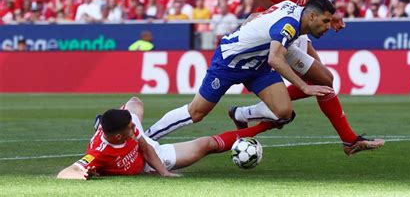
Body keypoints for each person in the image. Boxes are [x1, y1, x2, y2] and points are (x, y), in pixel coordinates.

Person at [244, 0, 384, 155]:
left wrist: (329, 15)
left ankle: (246, 113)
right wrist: (280, 16)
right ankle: (349, 140)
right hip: (281, 32)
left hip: (297, 30)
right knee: (324, 79)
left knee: (324, 81)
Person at [145, 0, 336, 141]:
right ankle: (146, 140)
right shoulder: (290, 24)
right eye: (326, 21)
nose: (328, 26)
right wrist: (305, 87)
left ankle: (240, 113)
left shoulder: (292, 8)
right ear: (311, 16)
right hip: (230, 62)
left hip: (257, 63)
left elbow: (256, 15)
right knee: (196, 112)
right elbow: (275, 59)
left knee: (284, 112)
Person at [57, 97, 274, 180]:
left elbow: (144, 145)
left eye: (134, 125)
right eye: (130, 127)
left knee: (135, 102)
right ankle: (266, 125)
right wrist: (82, 175)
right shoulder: (99, 152)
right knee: (206, 144)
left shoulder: (130, 131)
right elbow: (64, 173)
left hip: (152, 154)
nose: (135, 127)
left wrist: (164, 172)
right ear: (117, 135)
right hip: (143, 166)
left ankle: (104, 120)